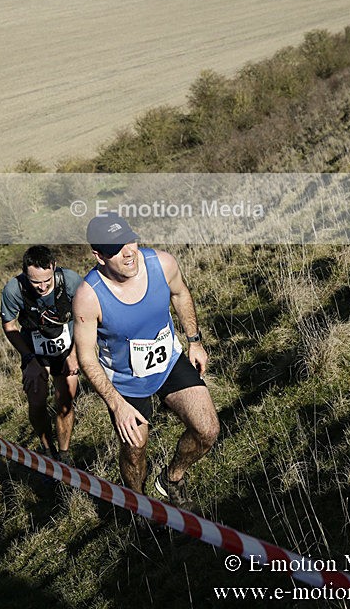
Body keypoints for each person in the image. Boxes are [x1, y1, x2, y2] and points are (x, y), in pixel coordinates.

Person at [73, 212, 220, 509]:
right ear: (99, 256)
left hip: (168, 363)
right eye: (116, 249)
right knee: (135, 450)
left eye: (130, 241)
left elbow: (180, 294)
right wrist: (117, 405)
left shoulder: (161, 264)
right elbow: (86, 357)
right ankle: (140, 504)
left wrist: (194, 341)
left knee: (207, 430)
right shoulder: (89, 297)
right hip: (126, 383)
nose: (128, 252)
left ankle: (172, 479)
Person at [1, 245, 82, 465]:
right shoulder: (14, 290)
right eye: (36, 282)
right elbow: (9, 326)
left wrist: (75, 354)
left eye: (47, 280)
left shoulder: (70, 281)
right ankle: (47, 450)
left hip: (67, 349)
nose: (43, 287)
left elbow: (85, 316)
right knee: (36, 403)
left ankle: (64, 455)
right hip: (34, 352)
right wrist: (29, 360)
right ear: (25, 273)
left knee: (65, 401)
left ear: (54, 266)